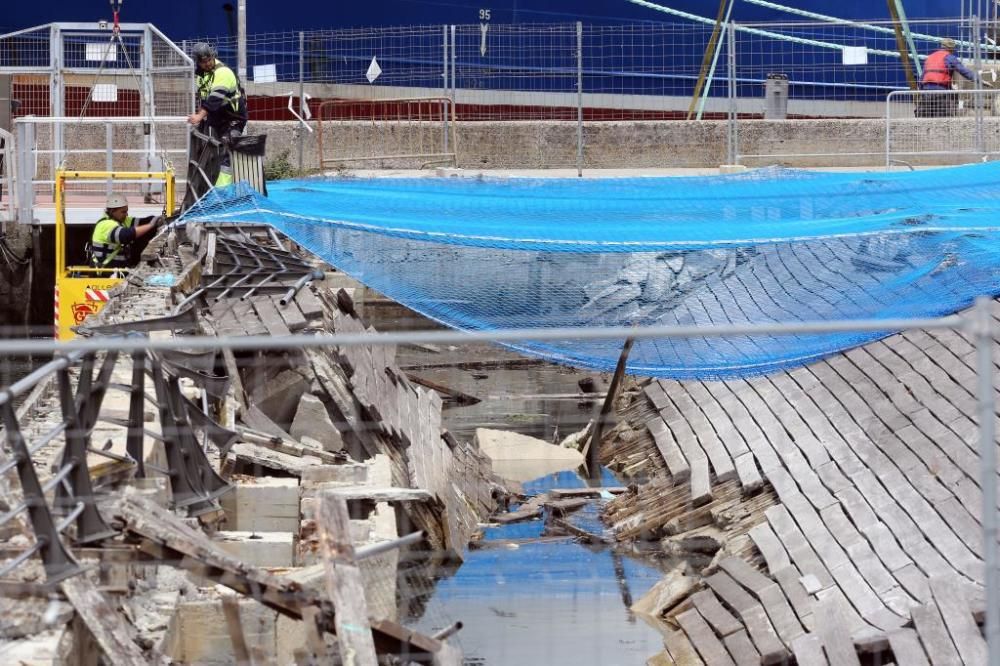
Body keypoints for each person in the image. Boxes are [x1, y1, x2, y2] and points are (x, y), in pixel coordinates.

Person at [186, 42, 248, 187]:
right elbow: (203, 96)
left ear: (213, 56)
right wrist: (203, 120)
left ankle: (222, 191)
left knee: (228, 151)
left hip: (233, 119)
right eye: (203, 62)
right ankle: (207, 188)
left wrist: (199, 116)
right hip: (216, 119)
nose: (207, 63)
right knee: (208, 153)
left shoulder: (223, 72)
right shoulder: (201, 76)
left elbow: (214, 98)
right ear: (198, 62)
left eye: (209, 59)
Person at [88, 193, 163, 270]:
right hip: (105, 272)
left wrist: (158, 218)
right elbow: (126, 235)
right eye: (123, 212)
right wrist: (151, 225)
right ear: (112, 211)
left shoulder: (121, 220)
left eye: (126, 211)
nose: (126, 214)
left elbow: (142, 222)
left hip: (116, 270)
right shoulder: (104, 225)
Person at [917, 38, 979, 117]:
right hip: (940, 91)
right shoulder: (950, 58)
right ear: (952, 49)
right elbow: (964, 71)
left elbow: (923, 76)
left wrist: (921, 91)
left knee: (926, 116)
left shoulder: (930, 57)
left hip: (926, 91)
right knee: (942, 117)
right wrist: (978, 79)